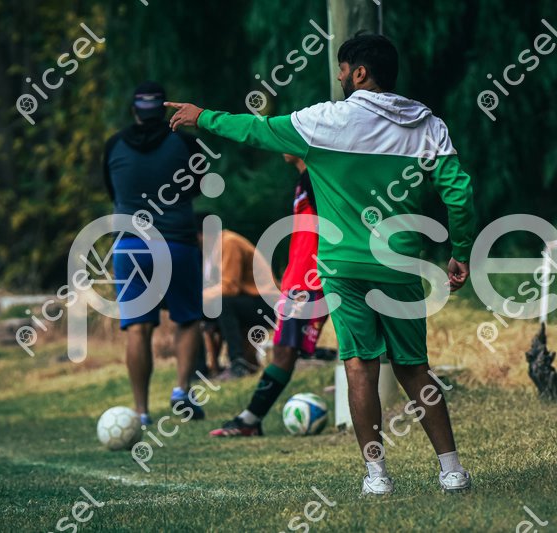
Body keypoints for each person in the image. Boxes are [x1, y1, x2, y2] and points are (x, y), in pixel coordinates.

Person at [166, 32, 476, 494]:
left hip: (342, 268)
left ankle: (377, 477)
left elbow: (256, 129)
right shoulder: (427, 124)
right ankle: (450, 470)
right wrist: (461, 251)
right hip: (399, 268)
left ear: (360, 73)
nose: (339, 77)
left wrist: (203, 117)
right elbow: (460, 192)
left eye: (342, 69)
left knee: (360, 366)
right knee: (414, 367)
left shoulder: (325, 120)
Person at [104, 81, 206, 425]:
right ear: (164, 109)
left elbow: (112, 190)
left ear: (134, 109)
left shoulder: (114, 145)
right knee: (187, 319)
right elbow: (198, 186)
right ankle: (181, 392)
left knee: (138, 328)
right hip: (177, 243)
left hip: (130, 244)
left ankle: (141, 411)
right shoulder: (186, 144)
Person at [210, 154, 329, 437]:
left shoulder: (318, 176)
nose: (280, 146)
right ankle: (251, 420)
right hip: (299, 278)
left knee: (288, 350)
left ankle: (250, 420)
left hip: (314, 277)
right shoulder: (304, 179)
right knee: (285, 349)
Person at [202, 228, 278, 378]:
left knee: (223, 304)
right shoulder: (215, 249)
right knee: (207, 309)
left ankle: (237, 363)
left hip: (270, 303)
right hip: (252, 300)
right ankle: (205, 370)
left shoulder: (228, 243)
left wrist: (198, 298)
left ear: (202, 235)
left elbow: (230, 287)